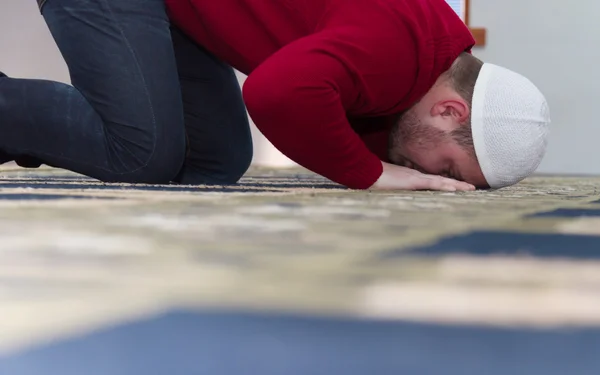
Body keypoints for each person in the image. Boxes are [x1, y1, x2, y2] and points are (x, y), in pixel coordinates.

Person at [0, 0, 549, 192]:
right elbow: (276, 95)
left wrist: (387, 163)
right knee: (142, 152)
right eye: (448, 171)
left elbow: (350, 112)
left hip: (180, 12)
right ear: (451, 110)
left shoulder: (425, 59)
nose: (432, 178)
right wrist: (375, 174)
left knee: (216, 160)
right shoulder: (396, 51)